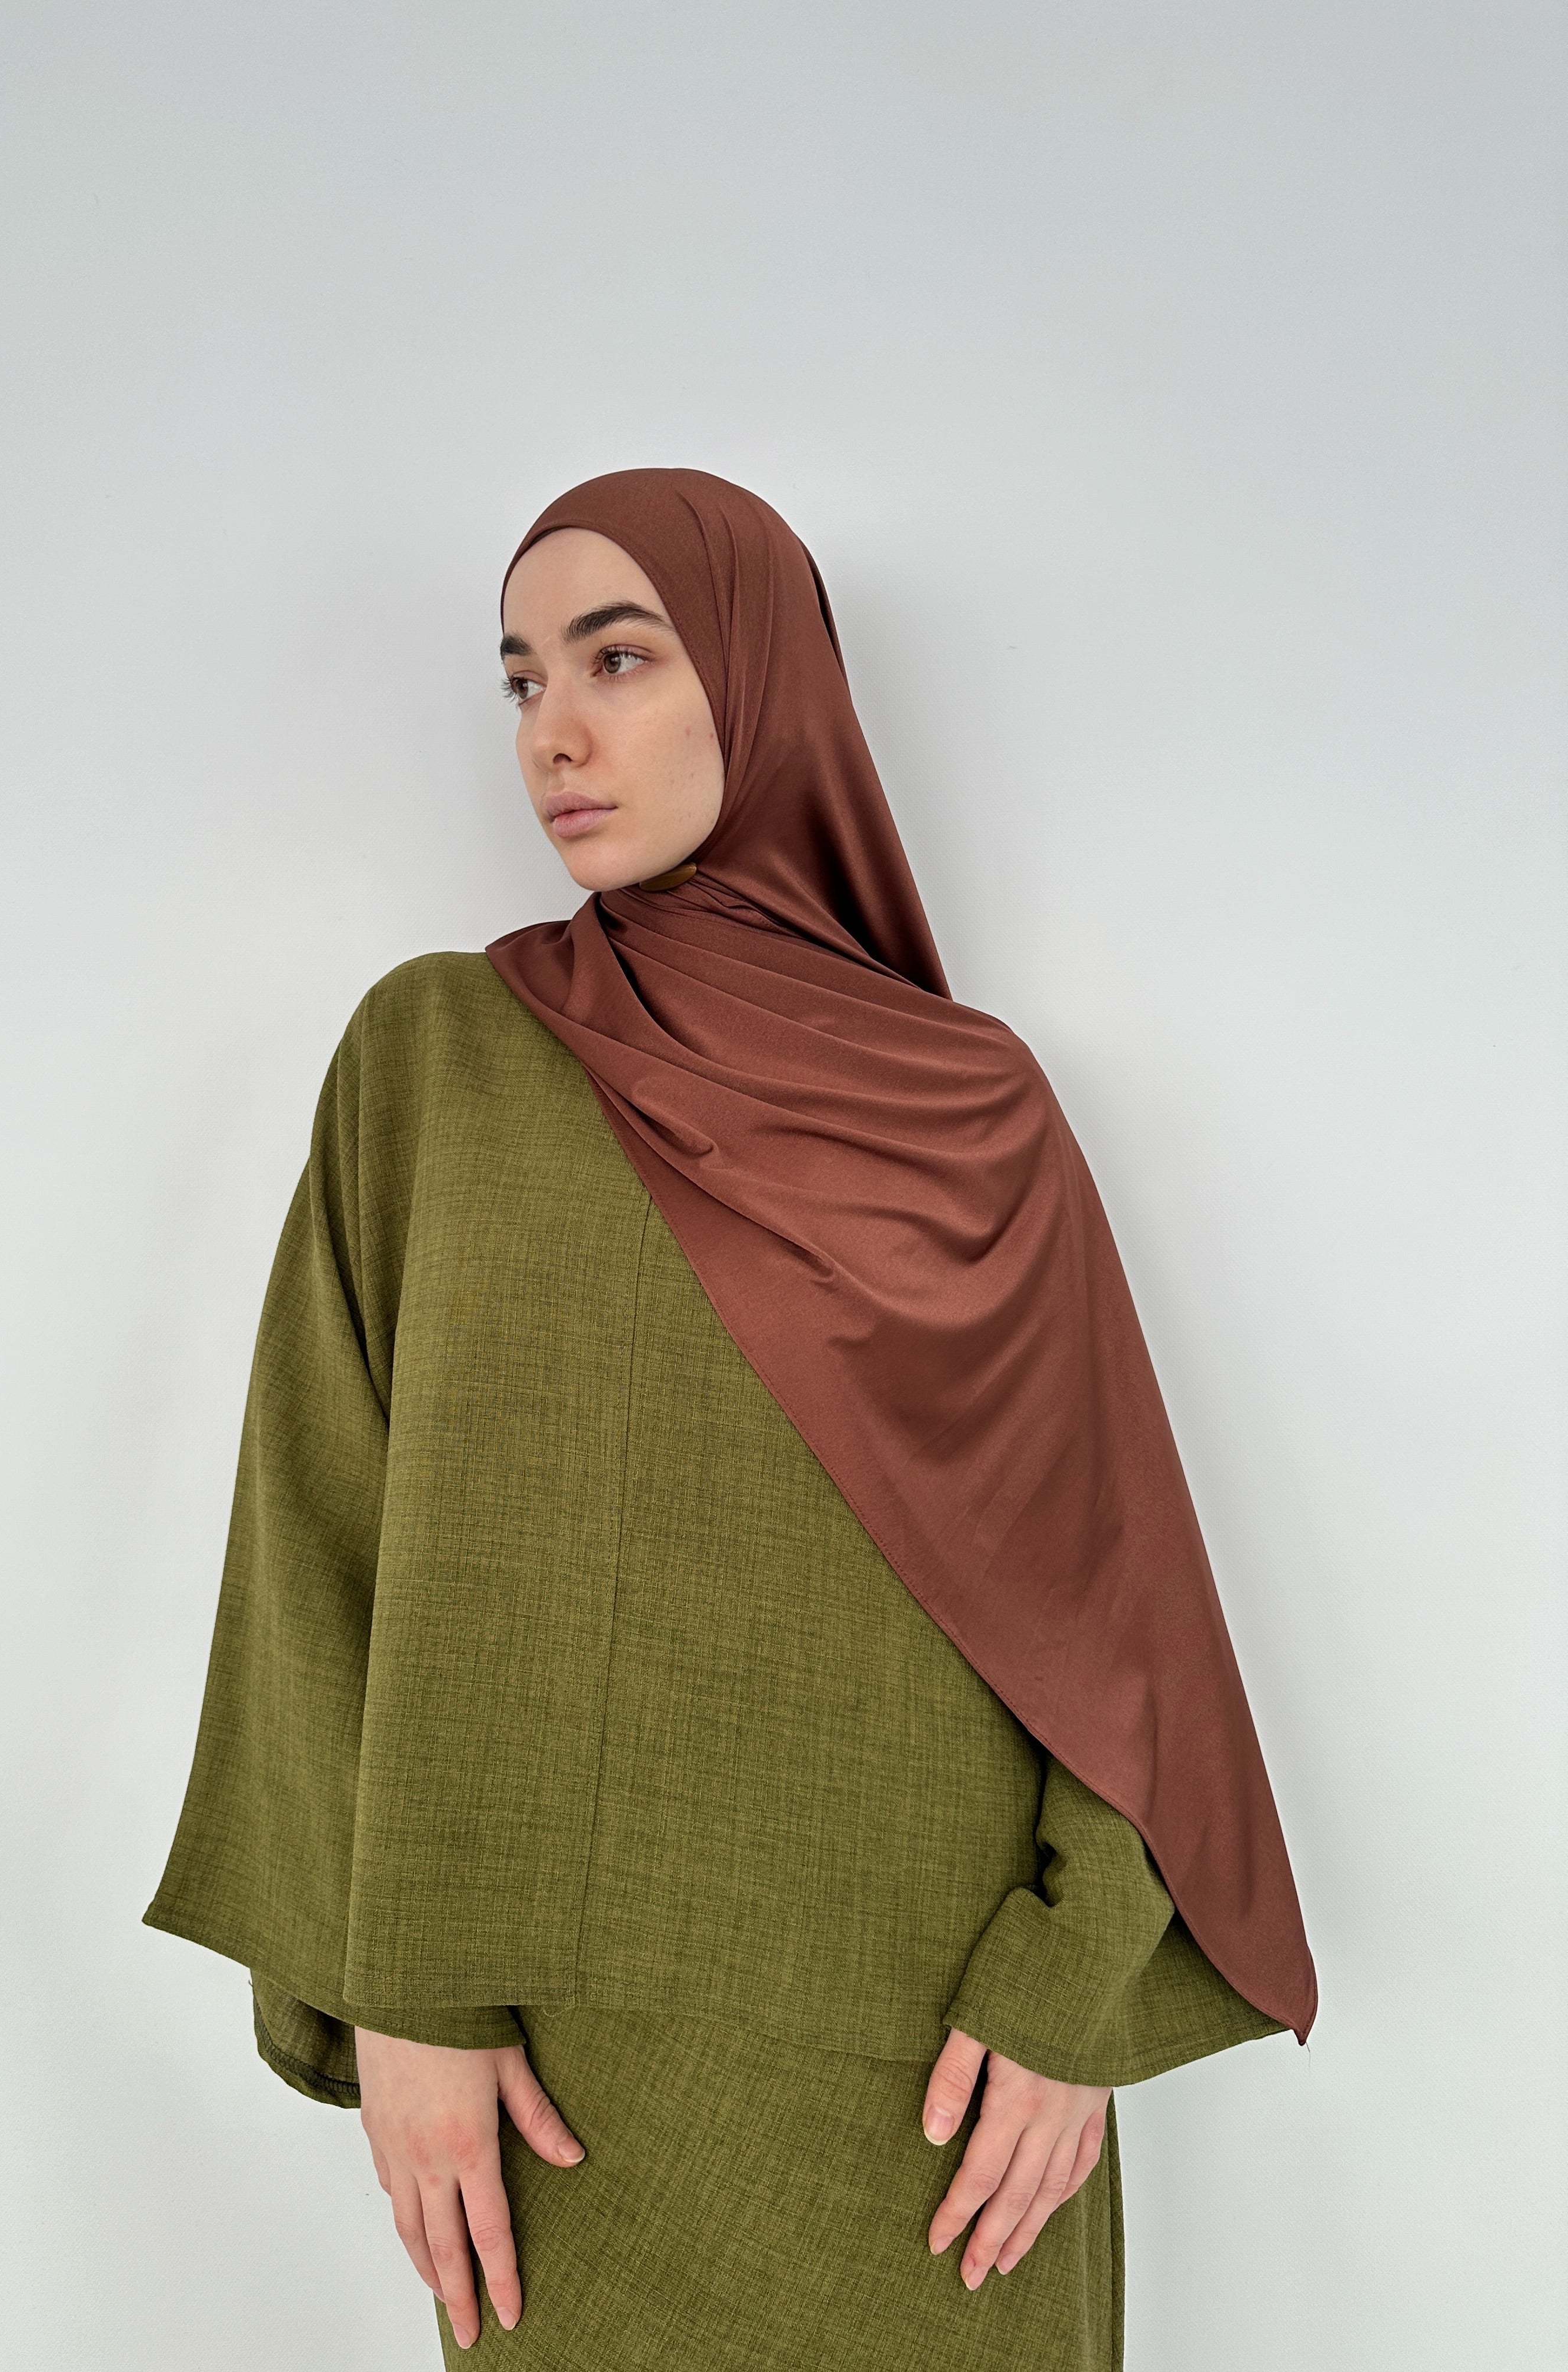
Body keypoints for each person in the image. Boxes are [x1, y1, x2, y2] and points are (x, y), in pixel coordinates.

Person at [144, 468, 1316, 2371]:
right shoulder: (435, 1058)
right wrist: (400, 2001)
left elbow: (1116, 1607)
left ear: (765, 685)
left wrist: (1071, 1994)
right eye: (521, 678)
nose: (555, 731)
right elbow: (315, 1539)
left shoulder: (972, 1113)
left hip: (947, 2084)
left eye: (619, 658)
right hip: (551, 2080)